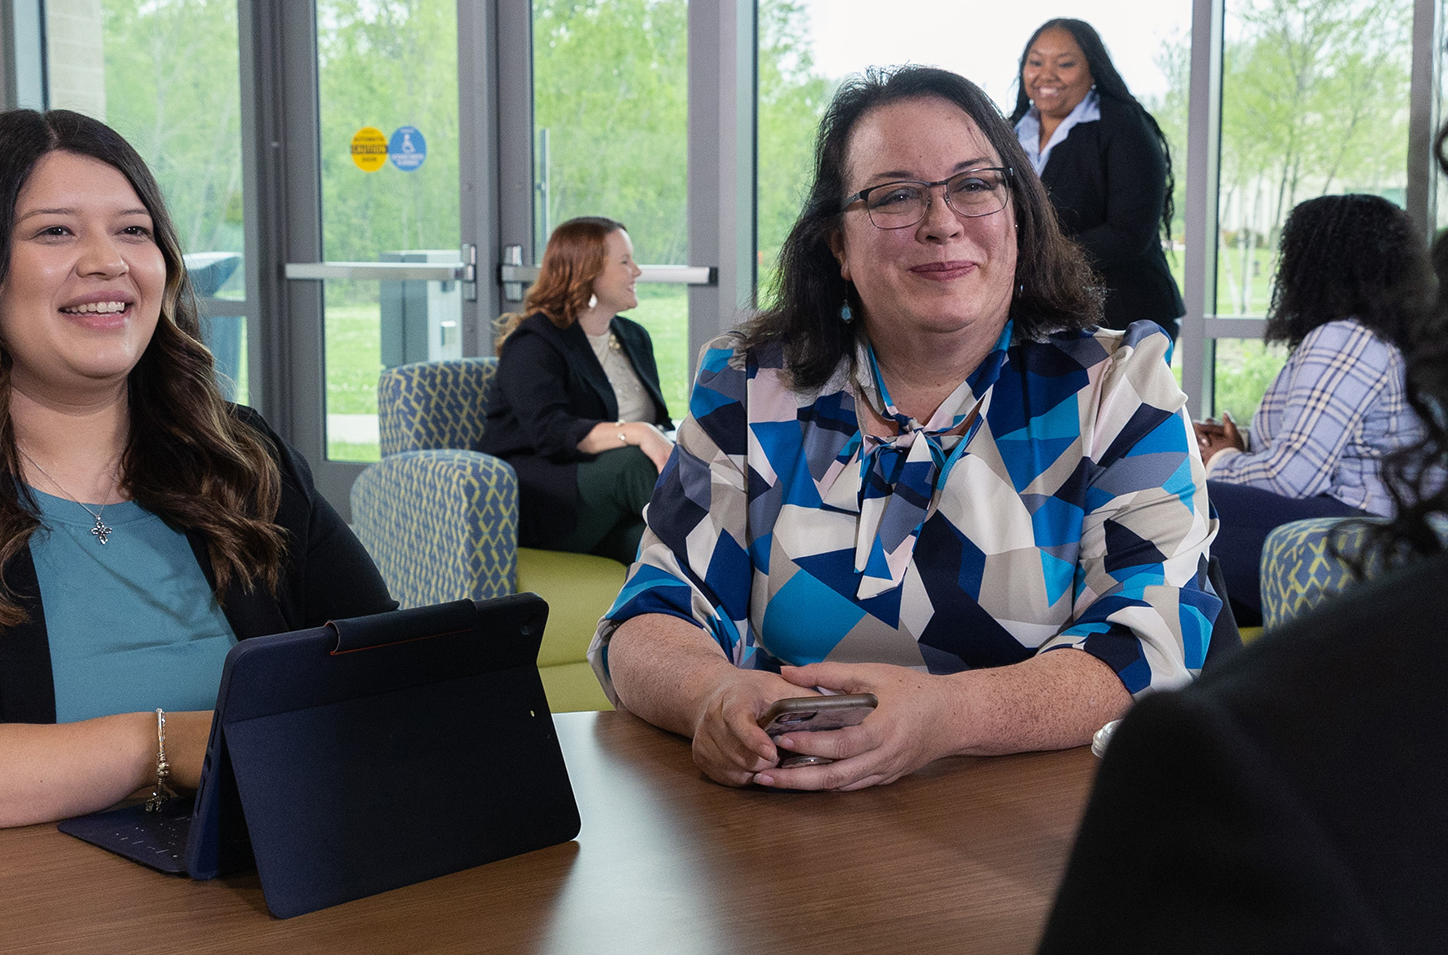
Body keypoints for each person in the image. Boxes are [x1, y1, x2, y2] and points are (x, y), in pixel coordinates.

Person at [1040, 0, 1448, 949]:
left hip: (1315, 538)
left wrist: (1208, 469)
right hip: (1355, 533)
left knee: (1170, 524)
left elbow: (1296, 474)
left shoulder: (1255, 778)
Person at [0, 110, 395, 925]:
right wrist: (158, 747)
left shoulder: (242, 460)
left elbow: (382, 676)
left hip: (239, 904)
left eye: (134, 230)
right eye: (54, 232)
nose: (106, 261)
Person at [589, 65, 1222, 793]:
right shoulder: (746, 381)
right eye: (894, 195)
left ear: (1018, 211)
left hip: (1033, 841)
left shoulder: (1117, 385)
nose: (942, 222)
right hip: (779, 826)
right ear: (837, 244)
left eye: (975, 185)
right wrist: (711, 694)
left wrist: (950, 715)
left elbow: (1155, 642)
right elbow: (650, 616)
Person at [1194, 193, 1429, 623]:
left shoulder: (1345, 339)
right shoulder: (1390, 338)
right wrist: (1242, 447)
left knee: (1177, 504)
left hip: (1355, 526)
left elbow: (1291, 478)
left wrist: (1217, 460)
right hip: (1390, 524)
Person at [477, 216, 674, 564]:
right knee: (631, 463)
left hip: (613, 506)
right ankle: (713, 538)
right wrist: (639, 433)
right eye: (625, 261)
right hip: (551, 500)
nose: (637, 271)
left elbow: (659, 421)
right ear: (588, 272)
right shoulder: (533, 343)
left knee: (660, 552)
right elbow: (551, 432)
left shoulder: (634, 338)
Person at [1010, 19, 1185, 341]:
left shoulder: (1123, 126)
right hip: (1040, 314)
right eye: (1035, 62)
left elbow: (1129, 233)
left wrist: (1039, 255)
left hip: (1123, 316)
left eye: (1064, 64)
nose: (1046, 75)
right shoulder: (1010, 133)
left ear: (1093, 71)